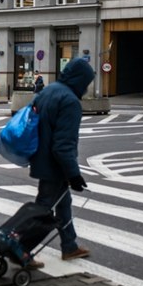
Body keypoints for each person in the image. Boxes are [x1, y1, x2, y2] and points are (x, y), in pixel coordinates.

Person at [29, 57, 94, 261]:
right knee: (44, 207)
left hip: (41, 157)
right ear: (80, 80)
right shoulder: (70, 101)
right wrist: (73, 174)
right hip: (55, 165)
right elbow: (63, 145)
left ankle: (69, 245)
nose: (86, 88)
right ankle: (21, 247)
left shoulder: (48, 91)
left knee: (63, 203)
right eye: (86, 83)